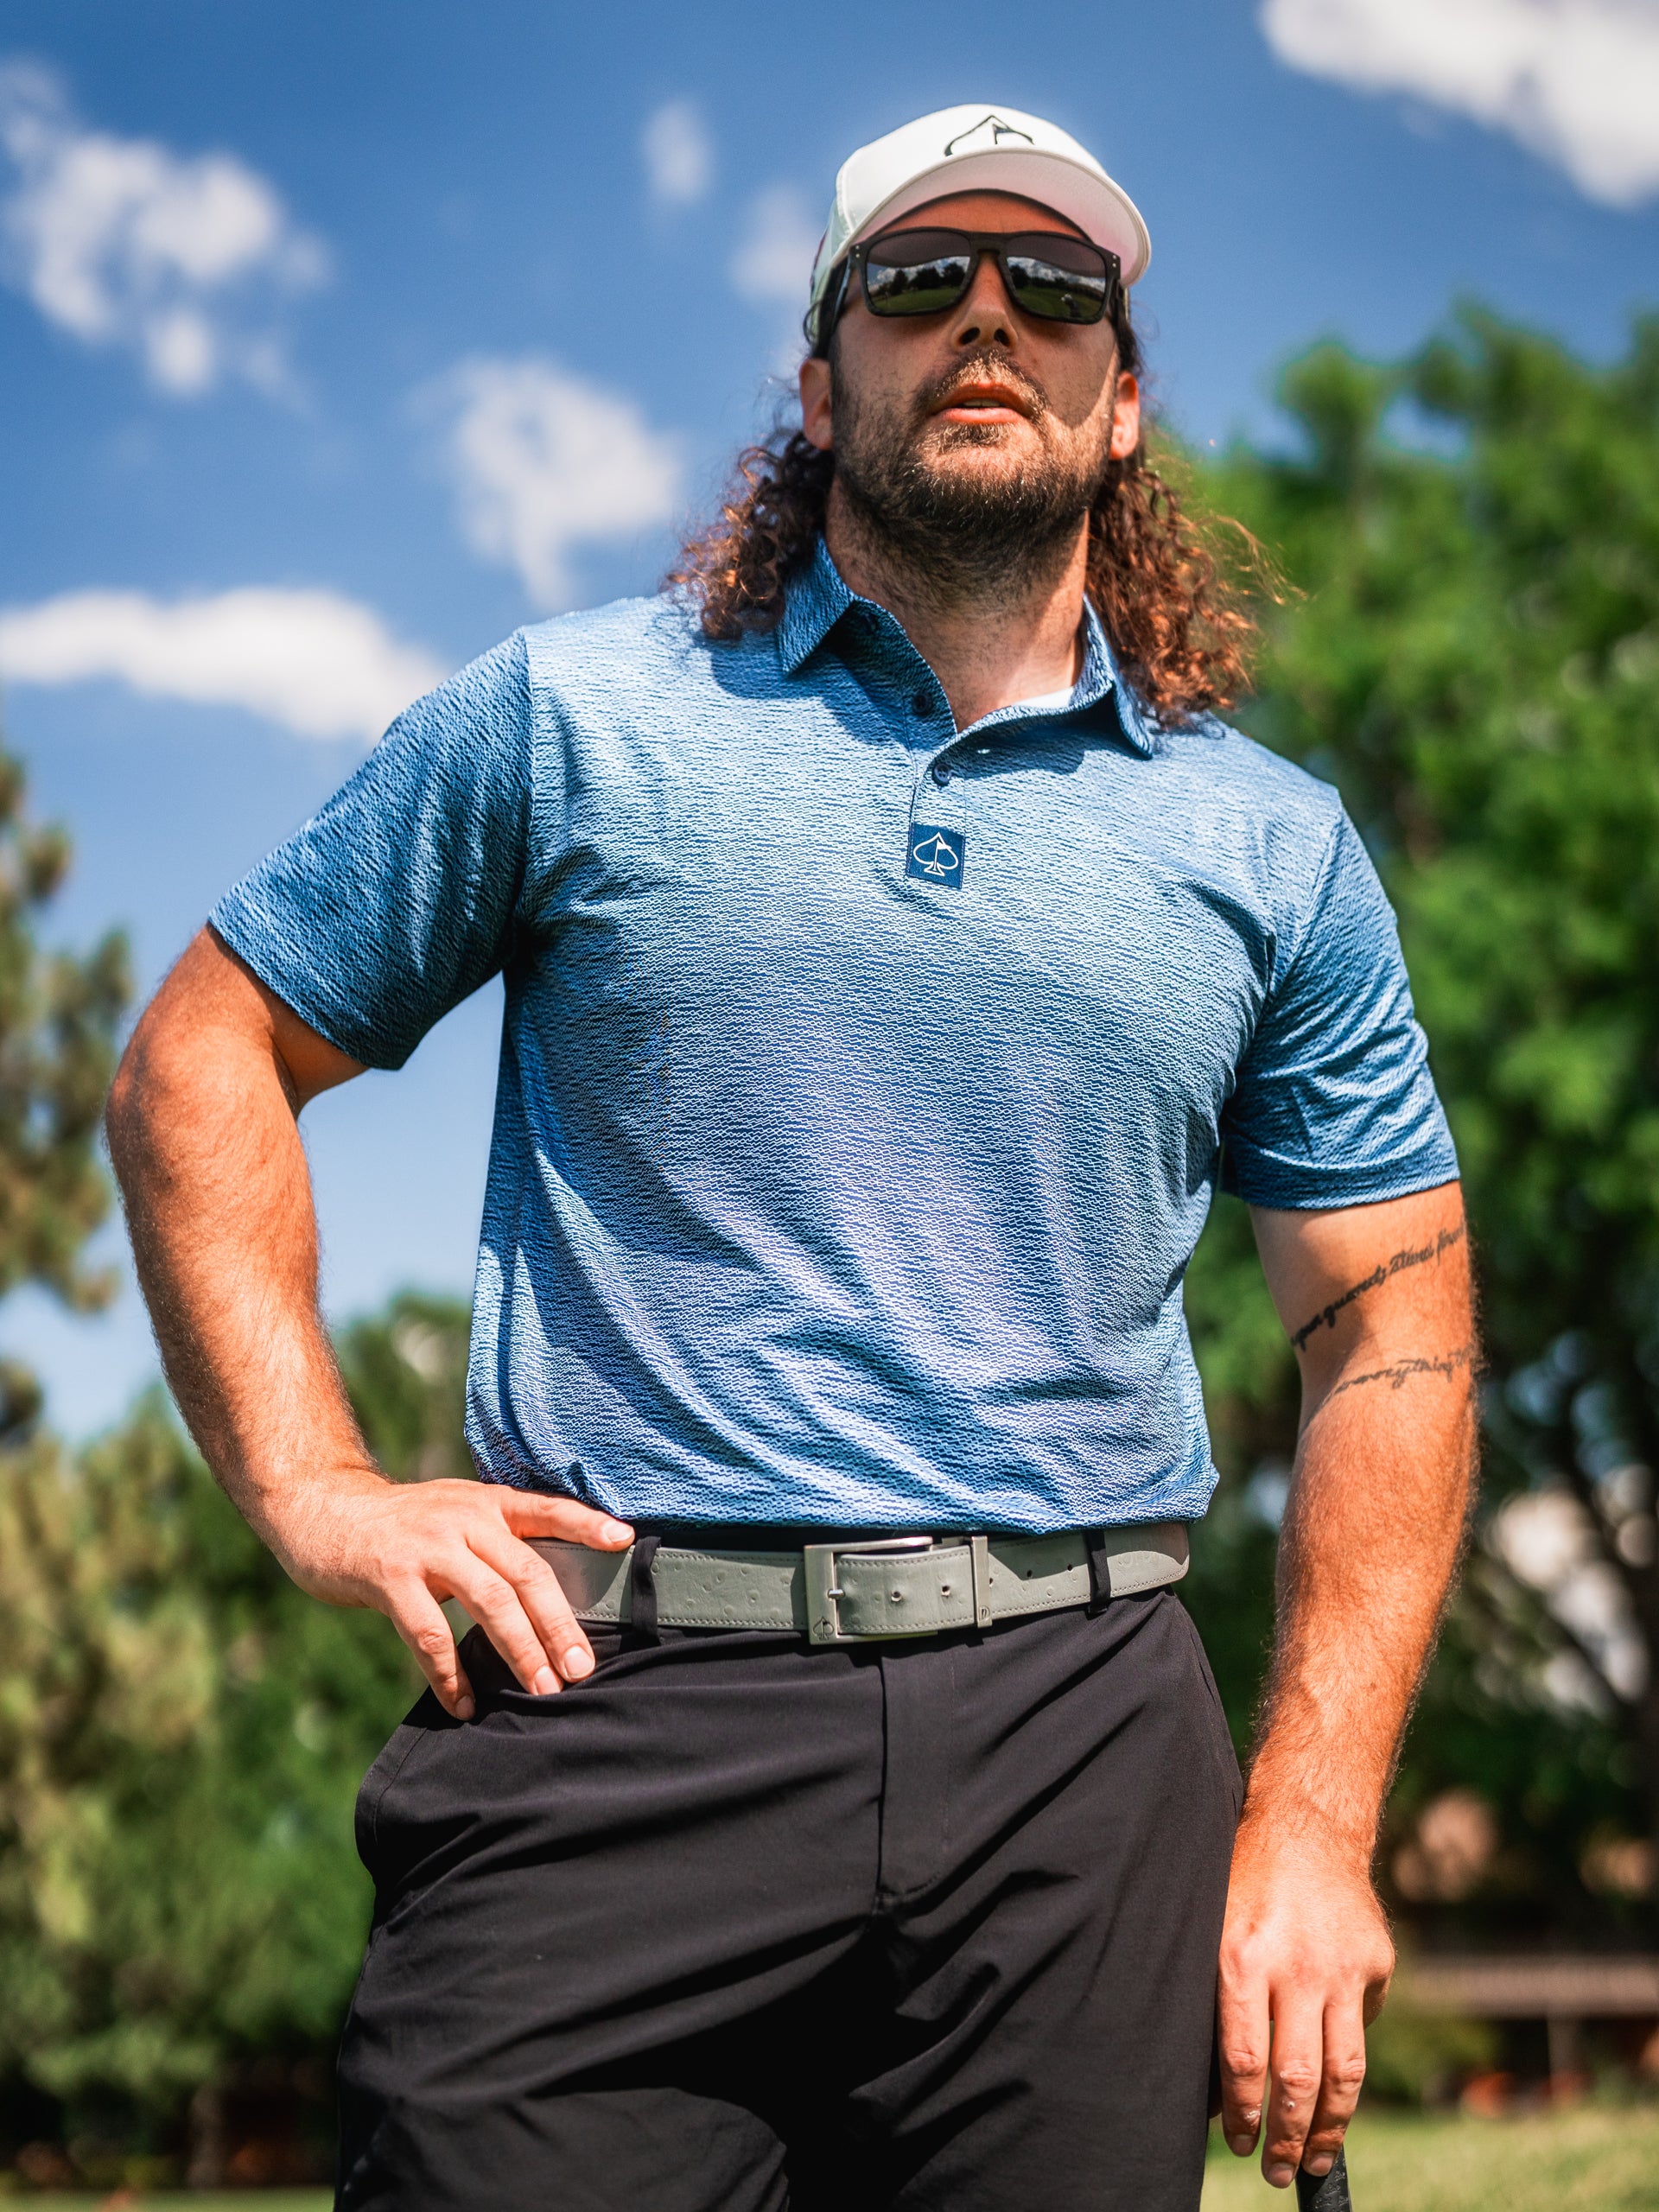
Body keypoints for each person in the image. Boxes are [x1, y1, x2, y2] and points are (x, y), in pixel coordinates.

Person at [108, 102, 1476, 2212]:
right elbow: (204, 1057)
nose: (989, 323)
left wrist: (1307, 1820)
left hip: (1084, 1745)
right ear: (825, 376)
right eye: (921, 283)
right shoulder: (571, 718)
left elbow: (1395, 1328)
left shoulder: (1273, 844)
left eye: (1057, 288)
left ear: (1125, 403)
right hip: (617, 1712)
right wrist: (314, 1485)